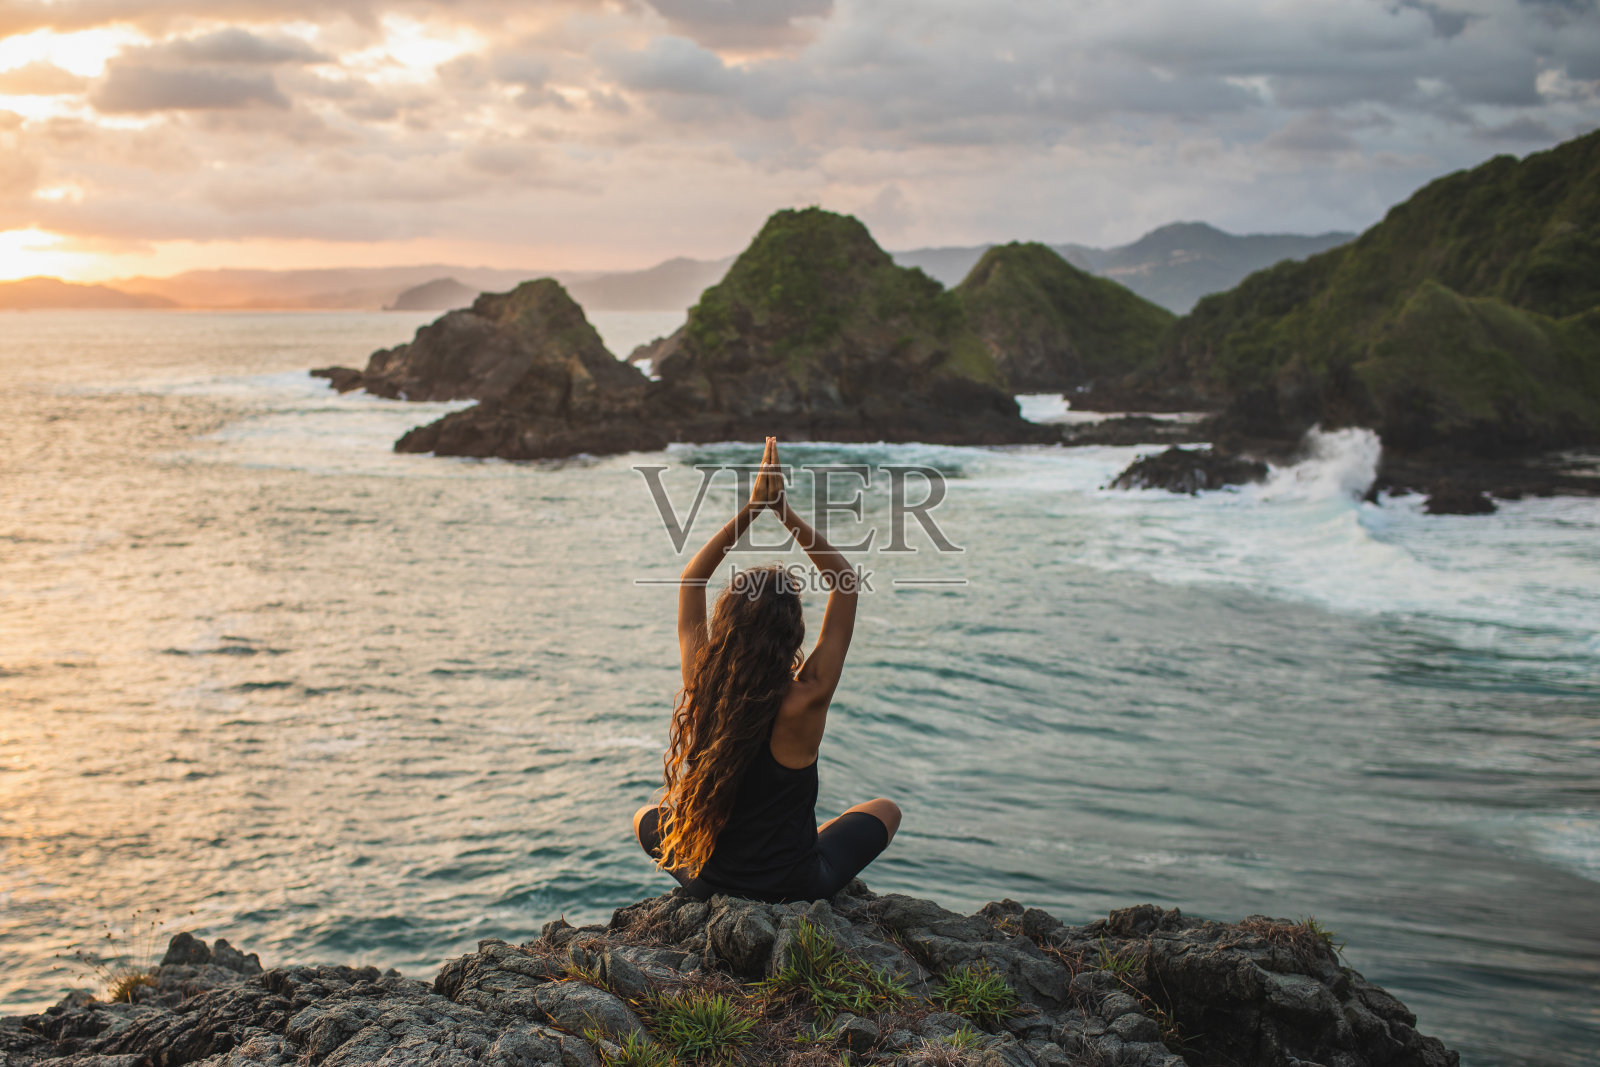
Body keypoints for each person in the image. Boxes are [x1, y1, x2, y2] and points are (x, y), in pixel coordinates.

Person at [633, 437, 901, 902]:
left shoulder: (703, 682)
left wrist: (752, 508)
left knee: (645, 818)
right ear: (793, 633)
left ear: (727, 624)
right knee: (885, 810)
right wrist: (783, 510)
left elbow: (691, 580)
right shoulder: (807, 695)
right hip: (792, 887)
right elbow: (846, 585)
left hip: (710, 883)